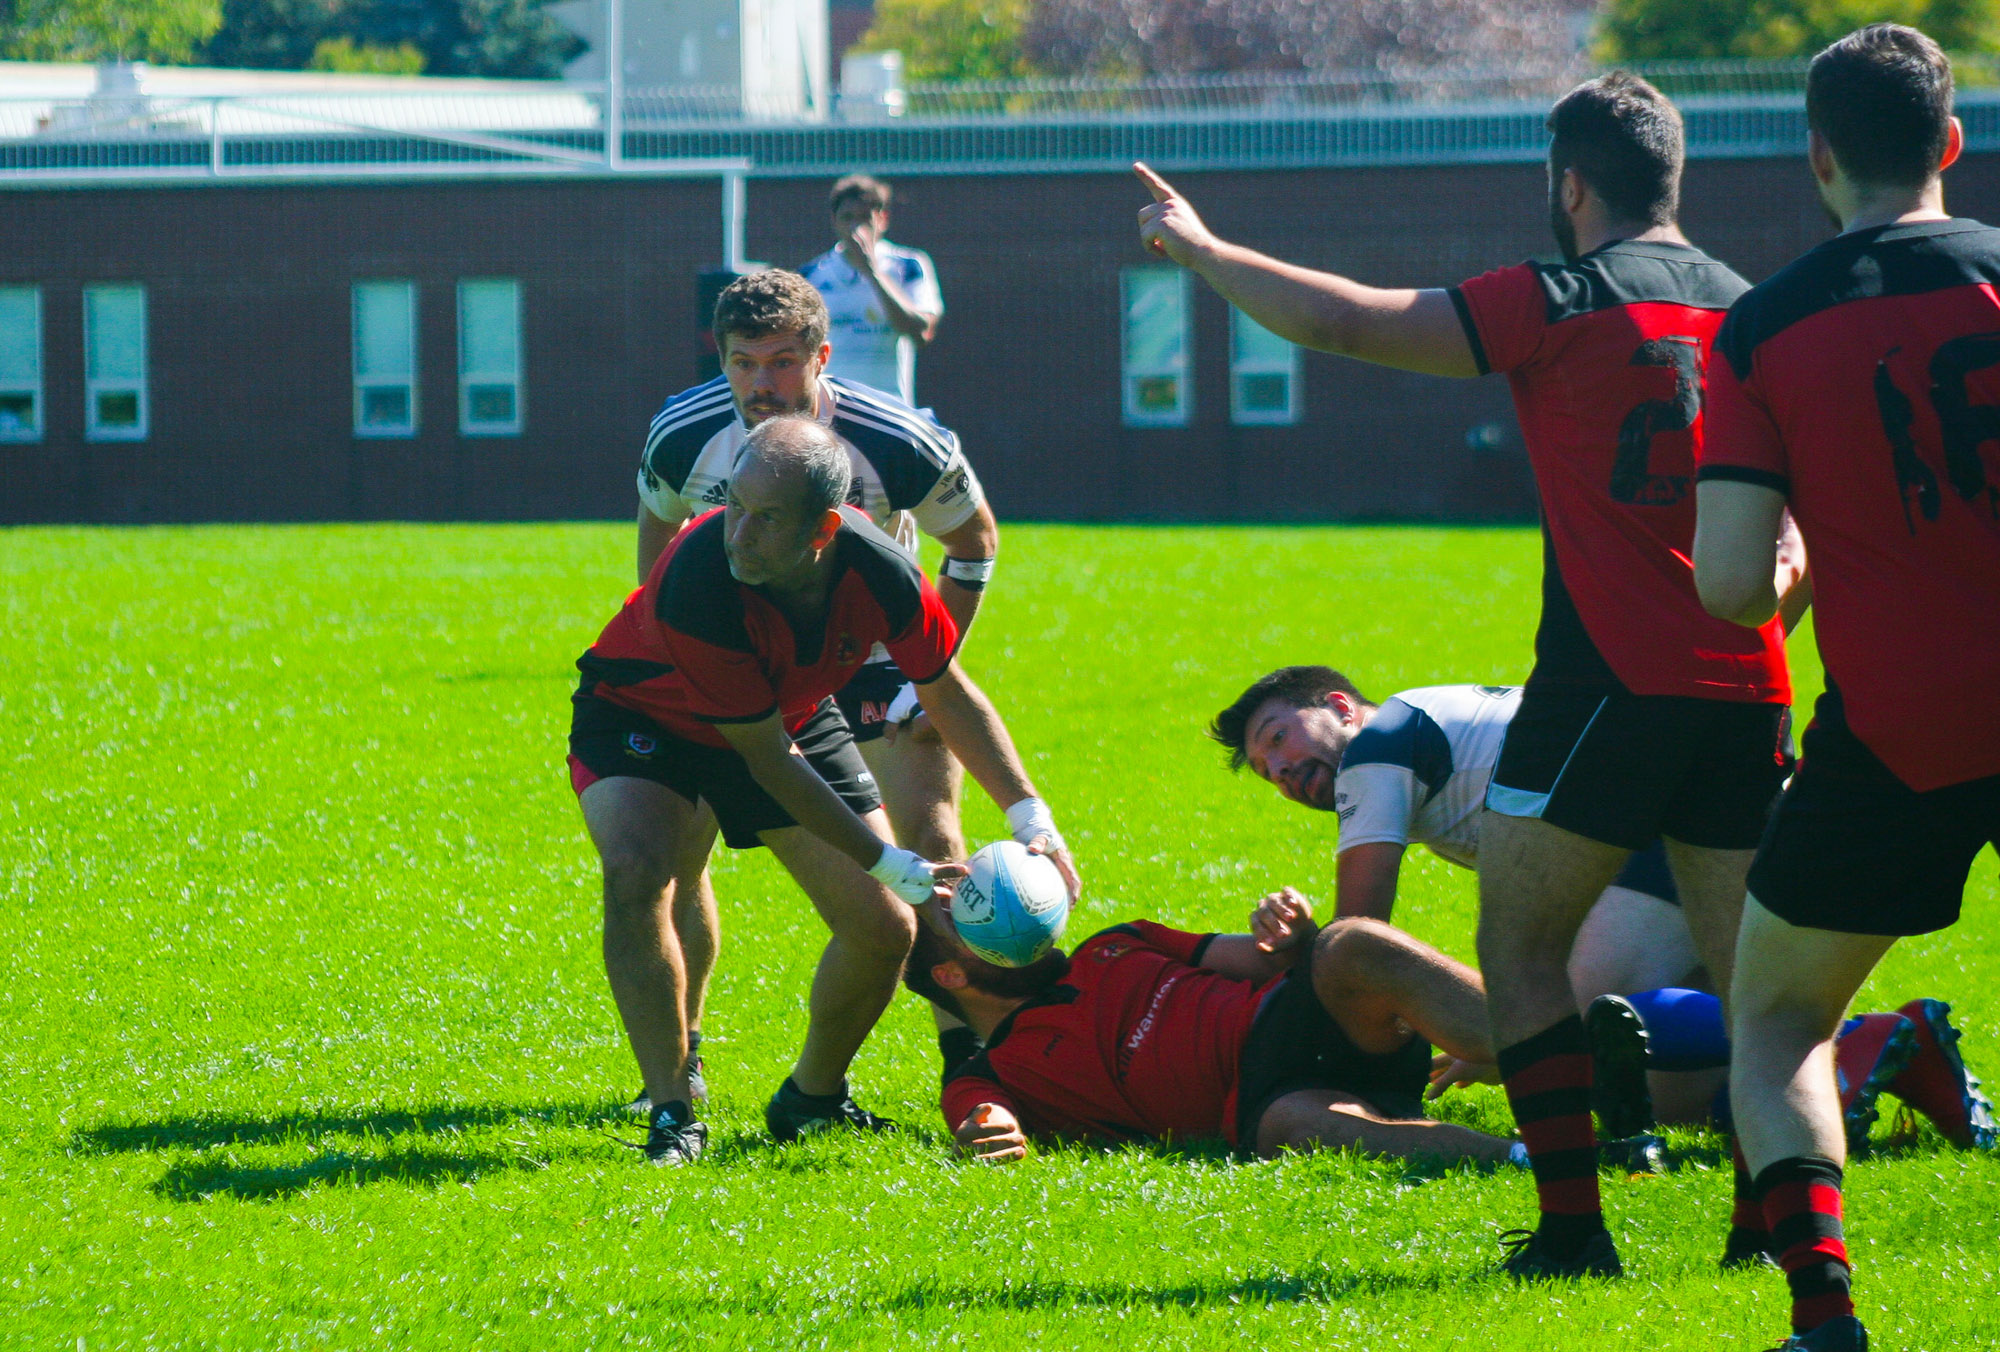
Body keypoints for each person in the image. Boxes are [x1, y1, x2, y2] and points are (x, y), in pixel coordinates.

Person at [1137, 73, 1805, 1279]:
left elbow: (1345, 320)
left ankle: (1570, 1230)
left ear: (1568, 185)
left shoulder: (1553, 298)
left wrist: (1197, 247)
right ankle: (1772, 1243)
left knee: (1521, 952)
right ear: (1675, 177)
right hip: (1748, 691)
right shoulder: (1753, 314)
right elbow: (1796, 538)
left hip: (1602, 687)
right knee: (1759, 992)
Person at [1693, 25, 2000, 1351]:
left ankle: (1824, 1316)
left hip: (1897, 729)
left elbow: (1729, 592)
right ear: (1951, 141)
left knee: (1773, 1020)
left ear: (1817, 155)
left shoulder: (1761, 328)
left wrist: (1809, 543)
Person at [571, 413, 1078, 1164]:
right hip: (646, 714)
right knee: (639, 873)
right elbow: (767, 761)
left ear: (826, 527)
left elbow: (946, 690)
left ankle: (811, 1099)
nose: (737, 532)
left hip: (787, 719)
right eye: (734, 503)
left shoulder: (882, 570)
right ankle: (674, 1111)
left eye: (766, 517)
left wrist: (1031, 813)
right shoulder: (699, 578)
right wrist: (891, 862)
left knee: (885, 930)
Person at [1208, 666, 1978, 1155]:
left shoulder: (1377, 747)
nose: (1284, 770)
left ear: (1340, 706)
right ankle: (1886, 1060)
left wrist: (1448, 1030)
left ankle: (1869, 1041)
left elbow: (1358, 934)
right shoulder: (1427, 727)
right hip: (1706, 802)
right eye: (1271, 773)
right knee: (1650, 1090)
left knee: (1563, 1023)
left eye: (1279, 737)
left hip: (1661, 827)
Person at [632, 269, 999, 1106]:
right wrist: (681, 662)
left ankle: (966, 1063)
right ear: (719, 361)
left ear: (823, 356)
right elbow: (658, 544)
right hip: (743, 658)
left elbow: (974, 544)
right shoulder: (682, 434)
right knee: (684, 853)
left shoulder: (897, 437)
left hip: (868, 651)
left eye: (785, 361)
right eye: (744, 363)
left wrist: (926, 676)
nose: (764, 383)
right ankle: (682, 1056)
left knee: (934, 836)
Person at [905, 887, 1527, 1168]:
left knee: (1349, 942)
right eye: (964, 922)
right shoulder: (990, 1073)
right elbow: (982, 1120)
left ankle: (1568, 1054)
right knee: (1294, 1131)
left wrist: (1292, 930)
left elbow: (1270, 958)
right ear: (952, 976)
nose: (987, 915)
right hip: (1261, 1100)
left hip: (1294, 1018)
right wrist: (989, 1131)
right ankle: (1531, 1156)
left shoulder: (1112, 943)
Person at [800, 174, 943, 405]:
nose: (855, 228)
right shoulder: (811, 275)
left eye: (864, 219)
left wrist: (871, 271)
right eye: (847, 218)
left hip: (890, 407)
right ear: (834, 221)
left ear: (882, 219)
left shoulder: (909, 265)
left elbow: (920, 332)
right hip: (831, 409)